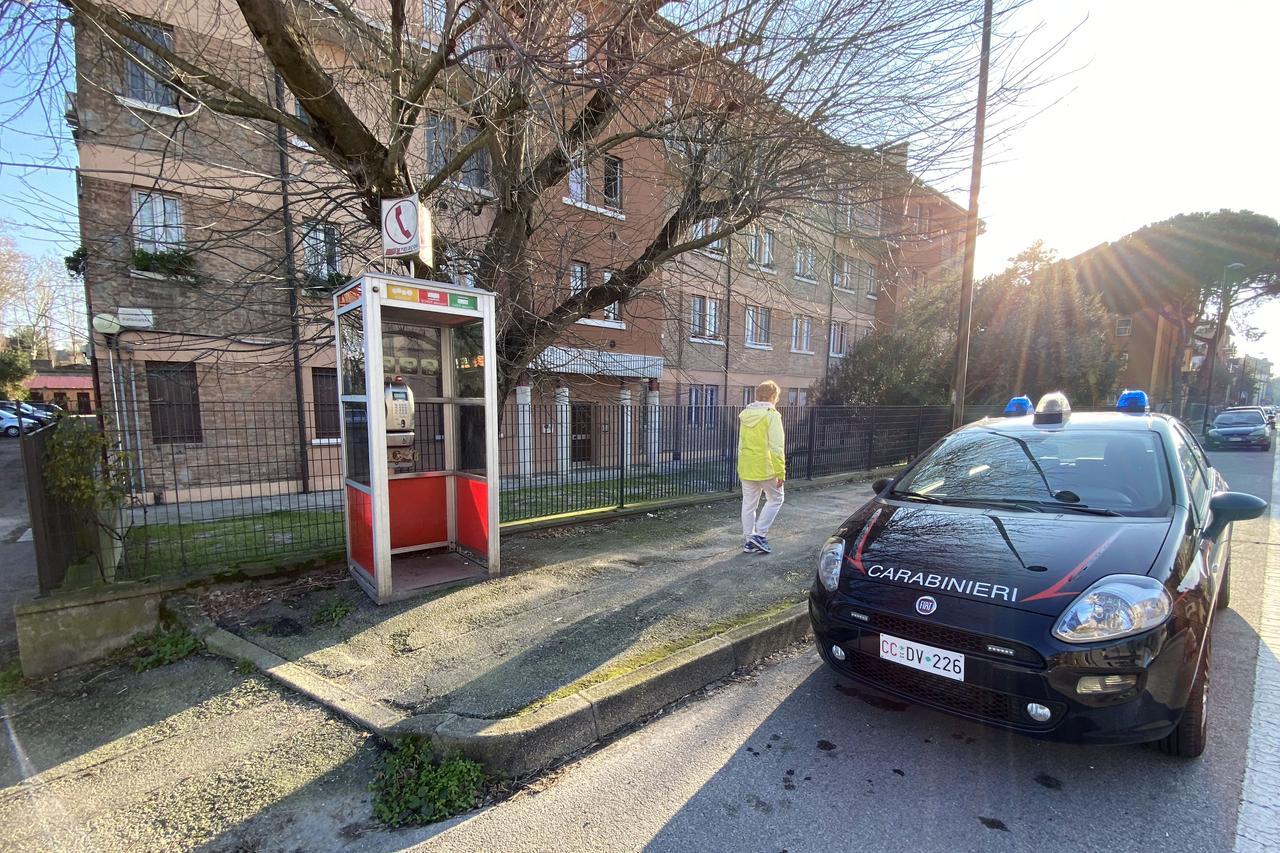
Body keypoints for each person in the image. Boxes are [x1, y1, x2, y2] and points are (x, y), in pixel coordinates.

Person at [738, 380, 786, 554]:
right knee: (776, 499)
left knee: (749, 504)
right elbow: (776, 447)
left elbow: (742, 443)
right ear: (773, 396)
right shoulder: (772, 415)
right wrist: (780, 471)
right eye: (777, 397)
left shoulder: (745, 414)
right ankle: (759, 536)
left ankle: (749, 541)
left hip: (747, 466)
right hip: (766, 467)